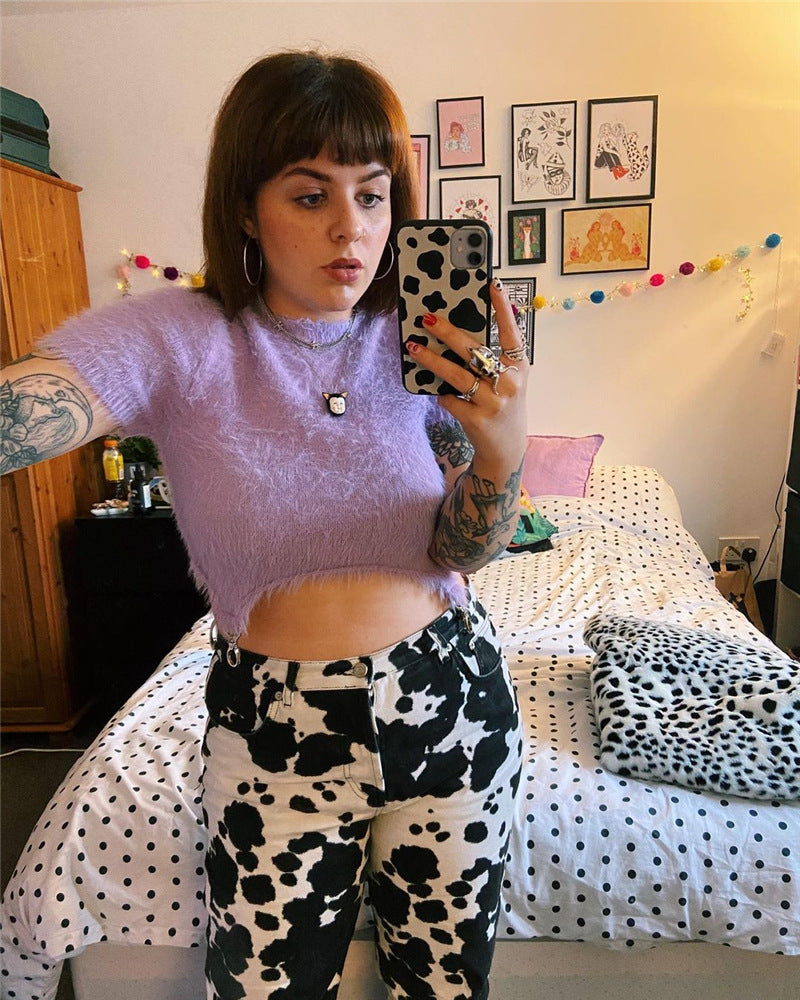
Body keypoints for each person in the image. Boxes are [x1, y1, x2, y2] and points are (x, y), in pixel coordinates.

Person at [0, 50, 528, 1000]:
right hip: (274, 727)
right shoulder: (177, 336)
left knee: (447, 988)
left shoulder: (419, 339)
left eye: (373, 196)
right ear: (246, 208)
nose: (351, 228)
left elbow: (466, 551)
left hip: (451, 700)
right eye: (310, 195)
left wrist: (501, 454)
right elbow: (29, 409)